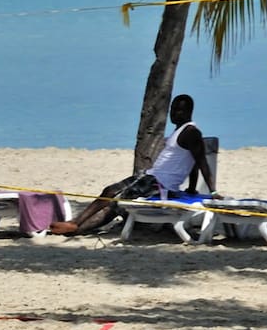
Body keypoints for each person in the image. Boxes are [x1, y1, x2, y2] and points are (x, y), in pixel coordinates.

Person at [51, 94, 213, 236]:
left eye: (179, 110)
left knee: (111, 193)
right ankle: (76, 229)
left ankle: (75, 223)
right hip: (152, 178)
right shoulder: (181, 131)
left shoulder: (191, 132)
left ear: (188, 112)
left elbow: (201, 162)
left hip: (159, 184)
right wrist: (192, 188)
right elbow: (192, 162)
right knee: (114, 202)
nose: (174, 113)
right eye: (172, 108)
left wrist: (213, 191)